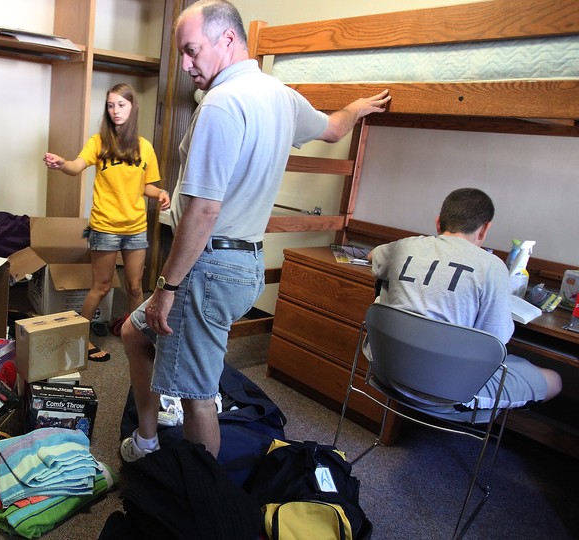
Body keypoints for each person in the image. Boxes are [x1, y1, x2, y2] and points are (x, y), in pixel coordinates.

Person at [118, 0, 391, 462]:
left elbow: (203, 211)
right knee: (133, 333)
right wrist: (355, 108)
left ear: (227, 40)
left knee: (198, 395)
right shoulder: (280, 95)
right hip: (243, 263)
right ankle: (148, 439)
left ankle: (202, 506)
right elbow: (330, 128)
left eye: (191, 51)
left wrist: (168, 285)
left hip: (206, 267)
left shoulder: (221, 105)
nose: (186, 66)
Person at [367, 187, 561, 413]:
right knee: (554, 380)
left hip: (388, 370)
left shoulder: (404, 246)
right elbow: (495, 342)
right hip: (449, 390)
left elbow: (373, 256)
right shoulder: (491, 267)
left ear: (438, 223)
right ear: (485, 228)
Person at [44, 83, 170, 363]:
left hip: (136, 227)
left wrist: (161, 193)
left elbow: (147, 186)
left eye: (121, 105)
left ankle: (137, 336)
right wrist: (61, 162)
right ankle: (78, 336)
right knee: (101, 286)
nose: (115, 111)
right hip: (105, 227)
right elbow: (77, 167)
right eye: (111, 105)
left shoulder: (144, 147)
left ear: (132, 108)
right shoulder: (99, 142)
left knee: (136, 288)